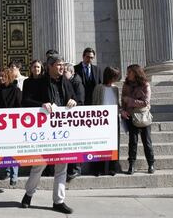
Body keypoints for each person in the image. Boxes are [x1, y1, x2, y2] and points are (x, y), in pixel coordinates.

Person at [21, 54, 79, 214]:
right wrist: (41, 104)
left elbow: (75, 98)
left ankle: (58, 201)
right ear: (50, 66)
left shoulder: (66, 82)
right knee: (38, 166)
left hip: (63, 132)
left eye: (63, 65)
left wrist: (74, 101)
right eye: (59, 65)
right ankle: (28, 194)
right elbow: (25, 101)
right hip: (44, 133)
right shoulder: (39, 83)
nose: (62, 68)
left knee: (62, 167)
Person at [71, 47, 103, 179]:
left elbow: (100, 87)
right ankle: (77, 167)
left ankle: (96, 168)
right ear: (83, 56)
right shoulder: (76, 68)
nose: (89, 59)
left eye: (92, 57)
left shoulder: (97, 70)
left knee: (94, 139)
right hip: (80, 107)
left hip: (93, 108)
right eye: (88, 57)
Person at [121, 64, 155, 175]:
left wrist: (129, 100)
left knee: (147, 141)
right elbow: (123, 100)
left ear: (135, 73)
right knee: (132, 142)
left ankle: (151, 164)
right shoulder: (126, 85)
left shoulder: (145, 85)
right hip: (130, 116)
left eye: (129, 72)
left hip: (143, 116)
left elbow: (145, 102)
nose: (127, 74)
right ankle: (131, 165)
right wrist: (123, 111)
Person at [0, 67, 22, 186]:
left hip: (14, 124)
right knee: (4, 148)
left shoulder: (16, 90)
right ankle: (6, 170)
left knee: (14, 149)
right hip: (2, 124)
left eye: (3, 76)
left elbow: (20, 106)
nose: (1, 78)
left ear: (9, 77)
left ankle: (14, 175)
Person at [92, 67, 122, 176]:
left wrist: (121, 110)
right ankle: (98, 169)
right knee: (100, 144)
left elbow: (117, 103)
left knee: (114, 144)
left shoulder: (116, 89)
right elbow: (94, 103)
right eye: (114, 76)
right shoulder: (98, 88)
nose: (115, 79)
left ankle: (112, 168)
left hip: (114, 119)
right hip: (101, 120)